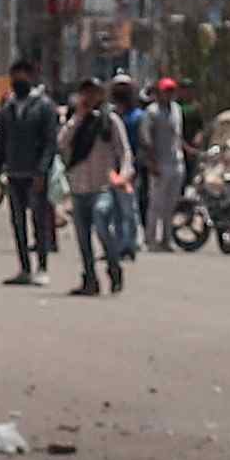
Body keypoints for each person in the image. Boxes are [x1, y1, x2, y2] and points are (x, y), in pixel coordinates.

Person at [58, 74, 131, 299]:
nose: (89, 97)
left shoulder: (110, 121)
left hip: (103, 187)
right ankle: (89, 278)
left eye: (93, 92)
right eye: (85, 92)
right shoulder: (75, 120)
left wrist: (124, 175)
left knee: (101, 220)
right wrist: (79, 117)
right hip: (79, 187)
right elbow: (61, 143)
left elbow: (125, 152)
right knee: (82, 237)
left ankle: (113, 266)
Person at [0, 63, 63, 286]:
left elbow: (50, 143)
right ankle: (24, 268)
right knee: (17, 222)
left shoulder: (44, 106)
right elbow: (0, 143)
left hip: (35, 174)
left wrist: (42, 171)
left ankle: (42, 267)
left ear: (32, 77)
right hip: (14, 173)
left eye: (22, 76)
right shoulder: (8, 108)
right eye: (15, 76)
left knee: (38, 221)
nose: (18, 80)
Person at [137, 76, 189, 250]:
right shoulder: (152, 112)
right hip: (160, 163)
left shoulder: (177, 110)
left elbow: (178, 136)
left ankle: (167, 239)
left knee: (171, 203)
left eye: (172, 91)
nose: (169, 94)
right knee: (156, 204)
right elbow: (146, 140)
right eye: (166, 91)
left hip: (176, 162)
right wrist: (152, 163)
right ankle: (150, 239)